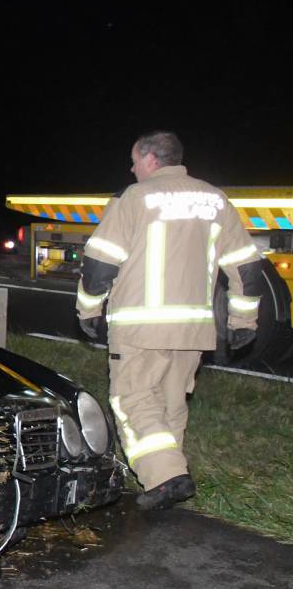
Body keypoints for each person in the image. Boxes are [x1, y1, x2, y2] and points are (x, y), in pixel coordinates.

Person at [76, 131, 264, 511]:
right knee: (170, 402)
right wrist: (244, 321)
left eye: (134, 160)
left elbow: (99, 265)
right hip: (193, 330)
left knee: (132, 398)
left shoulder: (135, 198)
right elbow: (247, 267)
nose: (131, 168)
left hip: (140, 328)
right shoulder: (214, 199)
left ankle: (165, 476)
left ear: (149, 159)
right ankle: (169, 479)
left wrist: (89, 310)